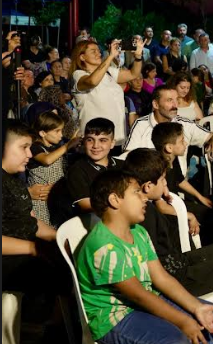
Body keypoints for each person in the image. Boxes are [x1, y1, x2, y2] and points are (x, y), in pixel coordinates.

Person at [74, 170, 213, 344]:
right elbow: (139, 295)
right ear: (115, 200)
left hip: (143, 303)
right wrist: (184, 321)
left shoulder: (138, 232)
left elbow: (160, 278)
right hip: (114, 319)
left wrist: (197, 308)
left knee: (211, 317)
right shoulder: (103, 246)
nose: (144, 197)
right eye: (136, 192)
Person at [127, 147, 213, 330]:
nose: (166, 184)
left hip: (179, 262)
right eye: (162, 180)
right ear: (148, 186)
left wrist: (168, 200)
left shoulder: (151, 206)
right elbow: (157, 272)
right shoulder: (143, 215)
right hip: (177, 279)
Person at [2, 121, 72, 305]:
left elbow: (31, 220)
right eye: (24, 147)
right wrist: (35, 249)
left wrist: (60, 238)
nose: (30, 154)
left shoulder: (15, 180)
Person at [124, 86, 213, 176]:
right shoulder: (141, 124)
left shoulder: (184, 124)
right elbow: (128, 155)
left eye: (176, 100)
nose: (175, 105)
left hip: (179, 185)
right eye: (169, 100)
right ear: (155, 104)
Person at [151, 123, 213, 244]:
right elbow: (161, 206)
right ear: (169, 148)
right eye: (182, 141)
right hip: (168, 213)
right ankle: (197, 248)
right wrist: (188, 215)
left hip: (177, 203)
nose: (186, 144)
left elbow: (179, 180)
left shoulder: (172, 160)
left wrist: (200, 197)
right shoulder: (159, 169)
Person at [71, 38, 144, 145]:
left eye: (98, 50)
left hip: (117, 137)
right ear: (82, 57)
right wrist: (110, 56)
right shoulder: (78, 75)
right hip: (96, 140)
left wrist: (138, 56)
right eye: (93, 51)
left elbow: (133, 74)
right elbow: (92, 81)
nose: (98, 53)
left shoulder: (109, 72)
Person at [27, 112, 82, 226]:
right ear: (42, 133)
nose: (61, 135)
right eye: (57, 131)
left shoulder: (55, 148)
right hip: (40, 202)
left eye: (61, 131)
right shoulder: (35, 147)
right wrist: (68, 145)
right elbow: (47, 160)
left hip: (55, 199)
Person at [67, 118, 124, 215]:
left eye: (103, 140)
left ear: (112, 143)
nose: (95, 146)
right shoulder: (78, 170)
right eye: (90, 140)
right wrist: (125, 208)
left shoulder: (122, 165)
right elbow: (86, 205)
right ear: (84, 142)